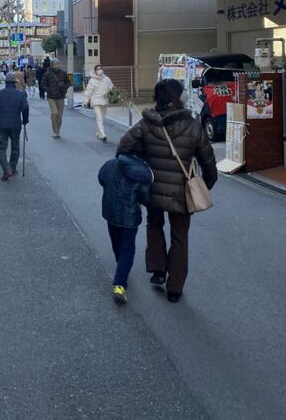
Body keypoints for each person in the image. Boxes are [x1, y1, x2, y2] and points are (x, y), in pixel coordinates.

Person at [116, 79, 217, 302]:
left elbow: (123, 147)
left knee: (154, 226)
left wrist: (142, 161)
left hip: (152, 188)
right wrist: (207, 183)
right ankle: (175, 288)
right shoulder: (192, 126)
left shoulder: (147, 123)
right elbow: (207, 159)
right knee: (180, 236)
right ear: (177, 97)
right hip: (182, 190)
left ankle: (158, 269)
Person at [98, 154, 153, 304]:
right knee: (127, 249)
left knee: (116, 242)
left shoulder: (109, 164)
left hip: (111, 213)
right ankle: (120, 285)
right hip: (130, 217)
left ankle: (120, 265)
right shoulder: (142, 172)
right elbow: (145, 196)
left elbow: (101, 178)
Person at [0, 72, 29, 180]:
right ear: (15, 83)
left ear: (6, 83)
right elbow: (25, 108)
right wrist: (25, 120)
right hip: (15, 124)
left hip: (1, 124)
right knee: (15, 146)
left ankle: (6, 169)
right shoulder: (20, 94)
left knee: (1, 147)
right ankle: (12, 167)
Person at [83, 65, 114, 142]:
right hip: (96, 101)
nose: (99, 70)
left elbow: (111, 88)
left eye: (100, 69)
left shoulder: (107, 79)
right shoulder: (92, 80)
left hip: (104, 100)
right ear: (95, 71)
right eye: (97, 69)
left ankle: (99, 133)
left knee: (102, 118)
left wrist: (114, 94)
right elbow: (88, 91)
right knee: (99, 118)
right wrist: (86, 101)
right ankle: (103, 135)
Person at [42, 58, 69, 138]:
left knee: (60, 116)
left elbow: (69, 82)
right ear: (52, 65)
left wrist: (64, 86)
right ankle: (54, 131)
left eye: (59, 63)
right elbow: (43, 84)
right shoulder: (47, 74)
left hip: (60, 96)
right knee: (55, 113)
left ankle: (58, 131)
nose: (58, 65)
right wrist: (49, 90)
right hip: (51, 97)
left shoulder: (63, 73)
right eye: (56, 64)